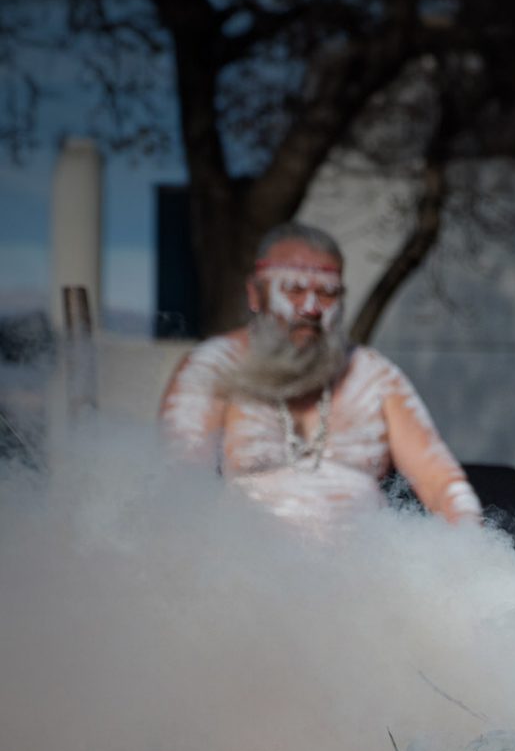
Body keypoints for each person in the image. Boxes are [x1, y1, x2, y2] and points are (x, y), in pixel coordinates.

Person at [160, 222, 480, 527]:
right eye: (294, 290)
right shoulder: (214, 366)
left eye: (327, 293)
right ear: (255, 294)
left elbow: (441, 485)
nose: (311, 308)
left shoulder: (374, 375)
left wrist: (469, 554)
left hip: (371, 571)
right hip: (248, 573)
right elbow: (181, 487)